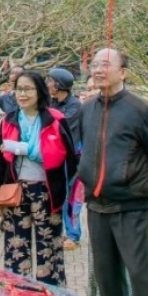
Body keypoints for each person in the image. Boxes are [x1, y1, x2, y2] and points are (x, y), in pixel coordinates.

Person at [77, 48, 148, 296]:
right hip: (96, 203)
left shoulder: (142, 110)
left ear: (123, 72)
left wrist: (134, 183)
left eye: (106, 64)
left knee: (139, 272)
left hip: (130, 204)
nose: (98, 70)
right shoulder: (87, 109)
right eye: (94, 64)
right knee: (105, 273)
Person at [0, 70, 77, 285]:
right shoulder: (8, 120)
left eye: (28, 89)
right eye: (19, 89)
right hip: (16, 191)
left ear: (40, 91)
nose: (22, 94)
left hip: (47, 191)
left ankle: (52, 292)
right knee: (16, 244)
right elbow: (0, 162)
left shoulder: (55, 119)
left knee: (49, 244)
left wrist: (24, 149)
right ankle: (19, 290)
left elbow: (67, 157)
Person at [47, 67, 84, 249]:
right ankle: (62, 232)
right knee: (59, 197)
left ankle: (73, 235)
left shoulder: (75, 106)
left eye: (50, 81)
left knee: (73, 199)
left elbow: (59, 128)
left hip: (74, 162)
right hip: (57, 160)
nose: (48, 84)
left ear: (59, 84)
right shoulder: (52, 104)